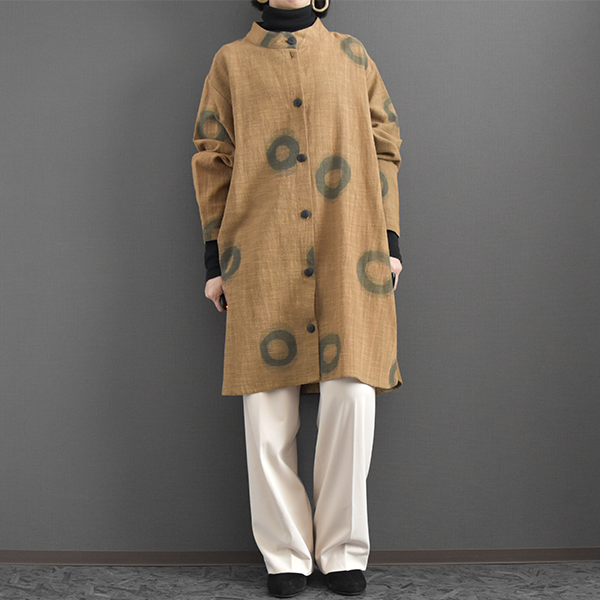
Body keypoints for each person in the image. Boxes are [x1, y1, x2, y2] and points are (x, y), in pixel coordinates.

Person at [191, 0, 403, 596]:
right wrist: (214, 262)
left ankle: (342, 552)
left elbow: (385, 144)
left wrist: (389, 239)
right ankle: (284, 555)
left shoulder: (352, 55)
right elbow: (212, 159)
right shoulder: (230, 63)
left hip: (350, 245)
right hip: (260, 250)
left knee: (352, 397)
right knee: (266, 409)